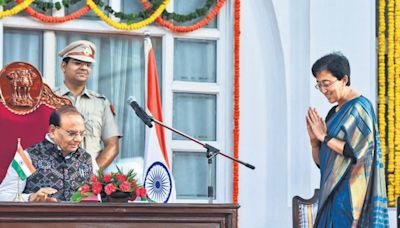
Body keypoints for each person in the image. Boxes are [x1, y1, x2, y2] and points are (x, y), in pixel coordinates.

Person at [306, 52, 389, 227]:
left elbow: (356, 151)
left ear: (344, 79)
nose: (323, 90)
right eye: (319, 85)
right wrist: (315, 142)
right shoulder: (333, 113)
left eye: (326, 84)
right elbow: (323, 163)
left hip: (351, 196)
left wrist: (324, 137)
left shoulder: (360, 108)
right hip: (331, 194)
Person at [0, 106, 94, 202]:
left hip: (80, 216)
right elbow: (3, 195)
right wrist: (30, 198)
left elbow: (98, 198)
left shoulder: (87, 158)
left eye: (81, 133)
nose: (78, 139)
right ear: (53, 131)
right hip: (39, 216)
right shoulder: (26, 157)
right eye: (71, 133)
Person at [53, 40, 121, 170]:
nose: (84, 68)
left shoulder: (101, 103)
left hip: (89, 184)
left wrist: (92, 174)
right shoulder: (49, 98)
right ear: (63, 66)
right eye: (77, 63)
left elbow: (112, 145)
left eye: (88, 65)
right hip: (53, 178)